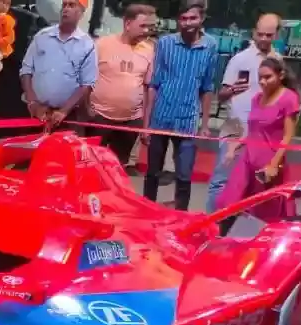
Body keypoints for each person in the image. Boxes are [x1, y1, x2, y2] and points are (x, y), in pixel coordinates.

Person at [143, 1, 217, 211]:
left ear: (201, 19)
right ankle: (147, 212)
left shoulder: (210, 46)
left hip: (187, 119)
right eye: (183, 19)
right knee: (152, 172)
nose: (187, 23)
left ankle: (181, 217)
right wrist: (147, 124)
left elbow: (208, 86)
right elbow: (154, 84)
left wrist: (204, 123)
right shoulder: (165, 43)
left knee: (184, 175)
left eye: (192, 18)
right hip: (161, 116)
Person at [206, 12, 280, 213]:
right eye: (261, 34)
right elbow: (220, 95)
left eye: (269, 35)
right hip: (236, 127)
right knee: (221, 180)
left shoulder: (279, 62)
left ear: (277, 35)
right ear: (255, 33)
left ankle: (241, 230)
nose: (264, 39)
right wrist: (231, 90)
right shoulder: (240, 59)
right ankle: (211, 226)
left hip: (263, 133)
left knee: (253, 185)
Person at [213, 57, 299, 221]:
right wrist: (233, 148)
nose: (263, 82)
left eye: (268, 77)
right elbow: (253, 130)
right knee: (230, 198)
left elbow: (288, 136)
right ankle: (223, 236)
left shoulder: (289, 98)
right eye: (260, 77)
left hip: (269, 160)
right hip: (248, 157)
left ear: (280, 76)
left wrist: (274, 164)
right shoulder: (257, 98)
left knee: (263, 209)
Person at [86, 4, 155, 166]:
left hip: (131, 121)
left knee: (118, 168)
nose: (146, 31)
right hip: (99, 117)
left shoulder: (149, 50)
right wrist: (87, 109)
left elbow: (148, 88)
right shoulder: (101, 45)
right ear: (127, 24)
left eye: (149, 27)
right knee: (92, 166)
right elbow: (86, 80)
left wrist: (145, 123)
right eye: (143, 26)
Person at [20, 0, 95, 130]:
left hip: (68, 116)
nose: (66, 9)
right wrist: (33, 103)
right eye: (64, 5)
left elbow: (87, 84)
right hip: (35, 112)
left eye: (71, 5)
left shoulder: (87, 45)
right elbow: (26, 71)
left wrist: (64, 111)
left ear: (81, 13)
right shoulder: (42, 36)